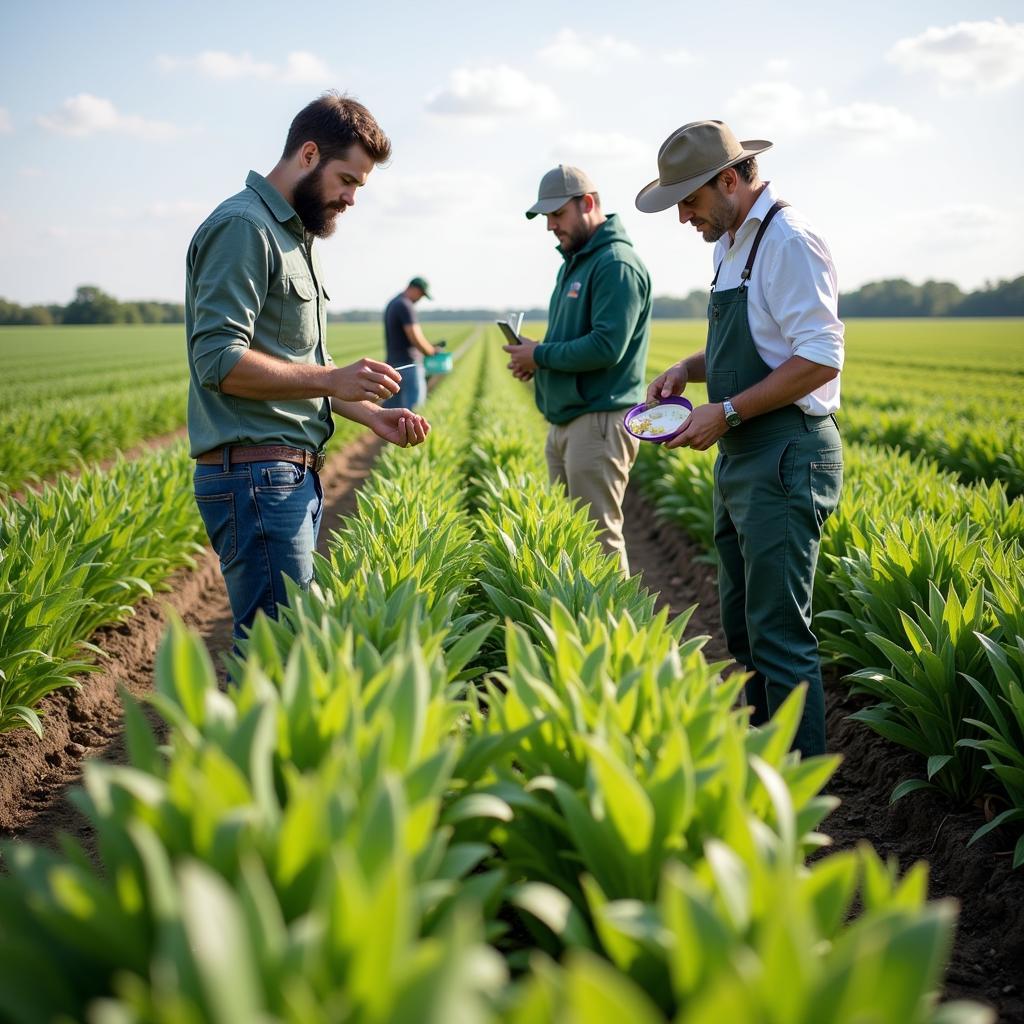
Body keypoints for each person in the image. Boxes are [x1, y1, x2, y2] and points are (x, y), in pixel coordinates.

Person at [186, 91, 430, 641]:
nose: (351, 198)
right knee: (278, 655)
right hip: (256, 476)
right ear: (310, 154)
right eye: (348, 180)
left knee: (284, 648)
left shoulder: (295, 236)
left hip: (285, 475)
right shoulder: (244, 228)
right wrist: (331, 378)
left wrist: (369, 415)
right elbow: (218, 360)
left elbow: (297, 365)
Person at [635, 120, 844, 757]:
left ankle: (801, 792)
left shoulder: (788, 241)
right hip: (742, 451)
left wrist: (723, 413)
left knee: (781, 633)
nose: (682, 219)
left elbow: (819, 357)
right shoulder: (729, 241)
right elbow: (756, 335)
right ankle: (761, 757)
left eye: (688, 203)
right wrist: (687, 369)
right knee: (742, 625)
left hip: (786, 452)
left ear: (729, 180)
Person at [504, 164, 652, 575]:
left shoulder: (616, 264)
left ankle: (619, 634)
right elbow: (574, 339)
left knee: (598, 539)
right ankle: (583, 629)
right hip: (570, 420)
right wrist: (537, 362)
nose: (551, 225)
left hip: (599, 423)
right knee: (572, 537)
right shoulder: (576, 262)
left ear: (588, 203)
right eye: (547, 217)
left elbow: (607, 346)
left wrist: (541, 355)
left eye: (558, 214)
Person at [383, 276, 437, 410]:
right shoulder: (405, 305)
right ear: (414, 289)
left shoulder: (393, 302)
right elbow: (415, 337)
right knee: (414, 411)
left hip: (393, 364)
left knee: (392, 411)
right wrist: (431, 351)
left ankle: (387, 432)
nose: (420, 299)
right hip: (409, 365)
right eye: (421, 294)